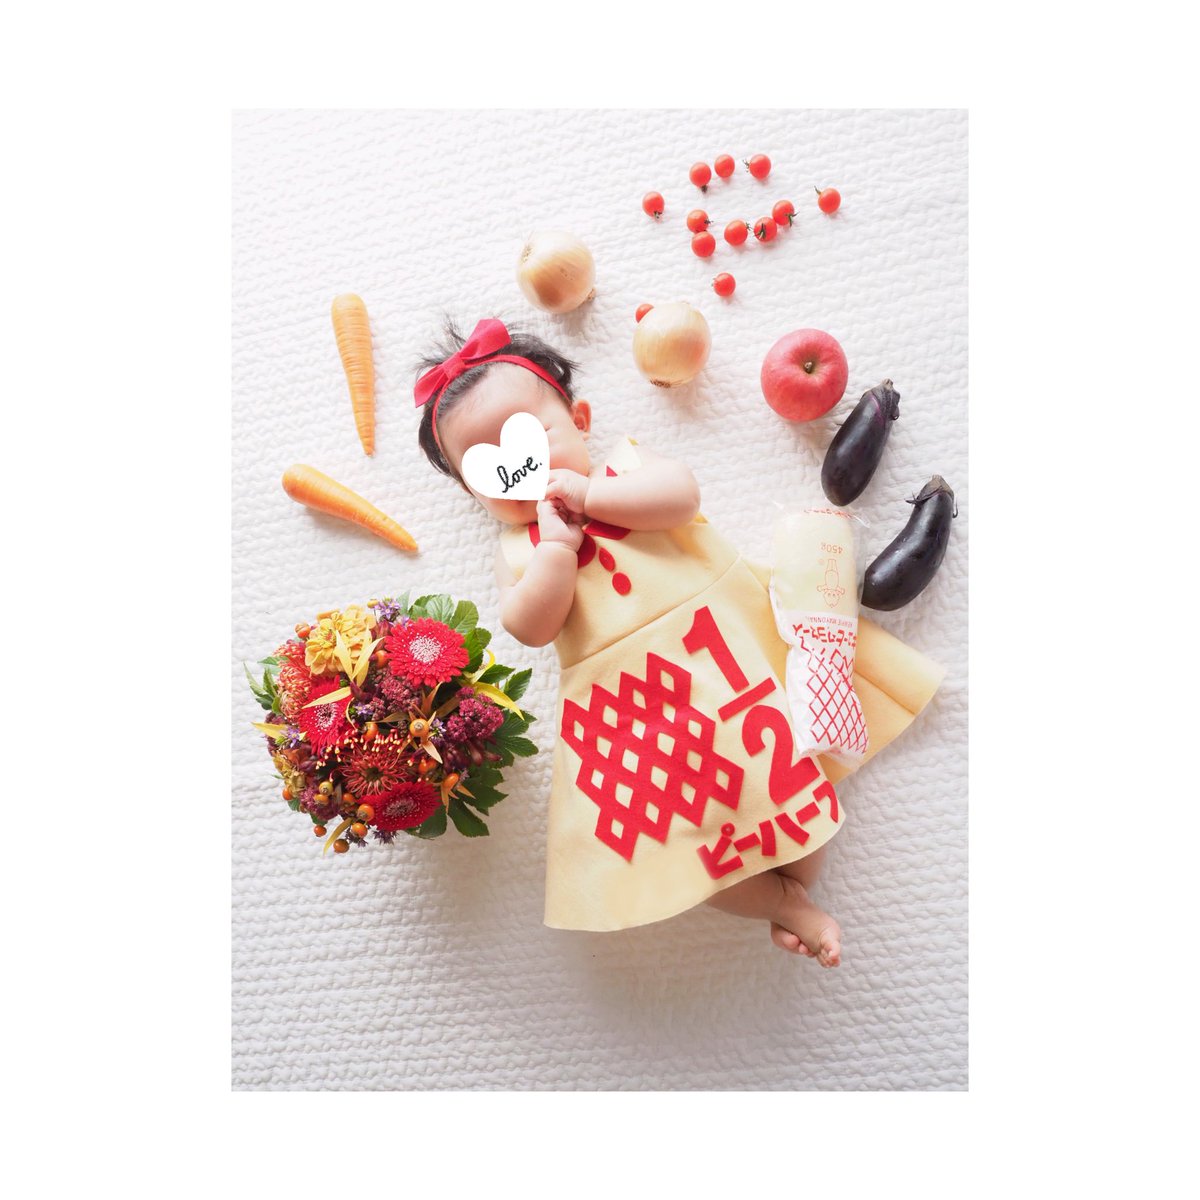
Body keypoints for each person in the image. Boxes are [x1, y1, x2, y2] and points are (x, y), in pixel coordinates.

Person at [416, 317, 936, 965]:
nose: (522, 470)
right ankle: (781, 903)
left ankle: (796, 888)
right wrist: (555, 551)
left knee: (795, 781)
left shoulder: (627, 469)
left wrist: (592, 495)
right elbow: (530, 625)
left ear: (580, 419)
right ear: (475, 492)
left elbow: (682, 498)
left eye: (532, 437)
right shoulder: (520, 547)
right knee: (674, 849)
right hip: (632, 715)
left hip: (722, 659)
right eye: (487, 469)